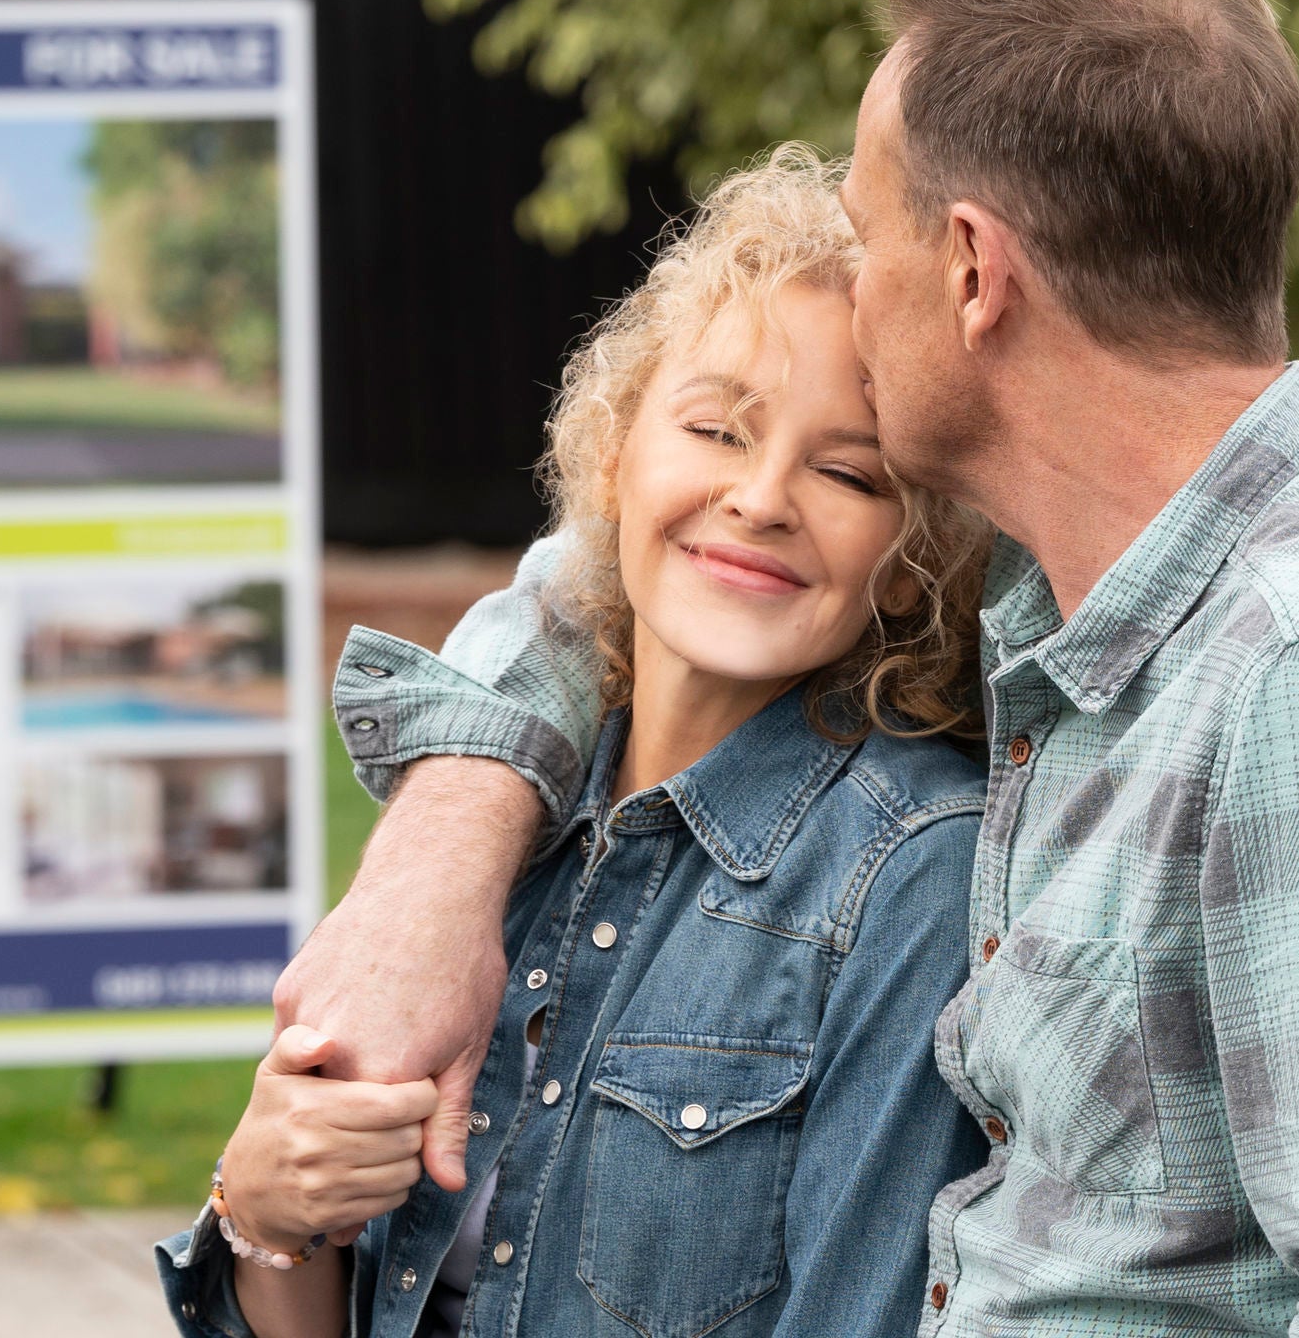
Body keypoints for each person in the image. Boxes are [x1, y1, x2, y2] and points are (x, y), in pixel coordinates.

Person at [278, 0, 1299, 1335]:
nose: (852, 303)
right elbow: (606, 569)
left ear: (976, 272)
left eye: (867, 246)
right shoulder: (1094, 633)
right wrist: (449, 837)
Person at [157, 150, 993, 1338]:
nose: (760, 498)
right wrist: (268, 1221)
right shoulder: (476, 835)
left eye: (848, 472)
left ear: (912, 572)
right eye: (715, 428)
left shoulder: (913, 881)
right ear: (612, 458)